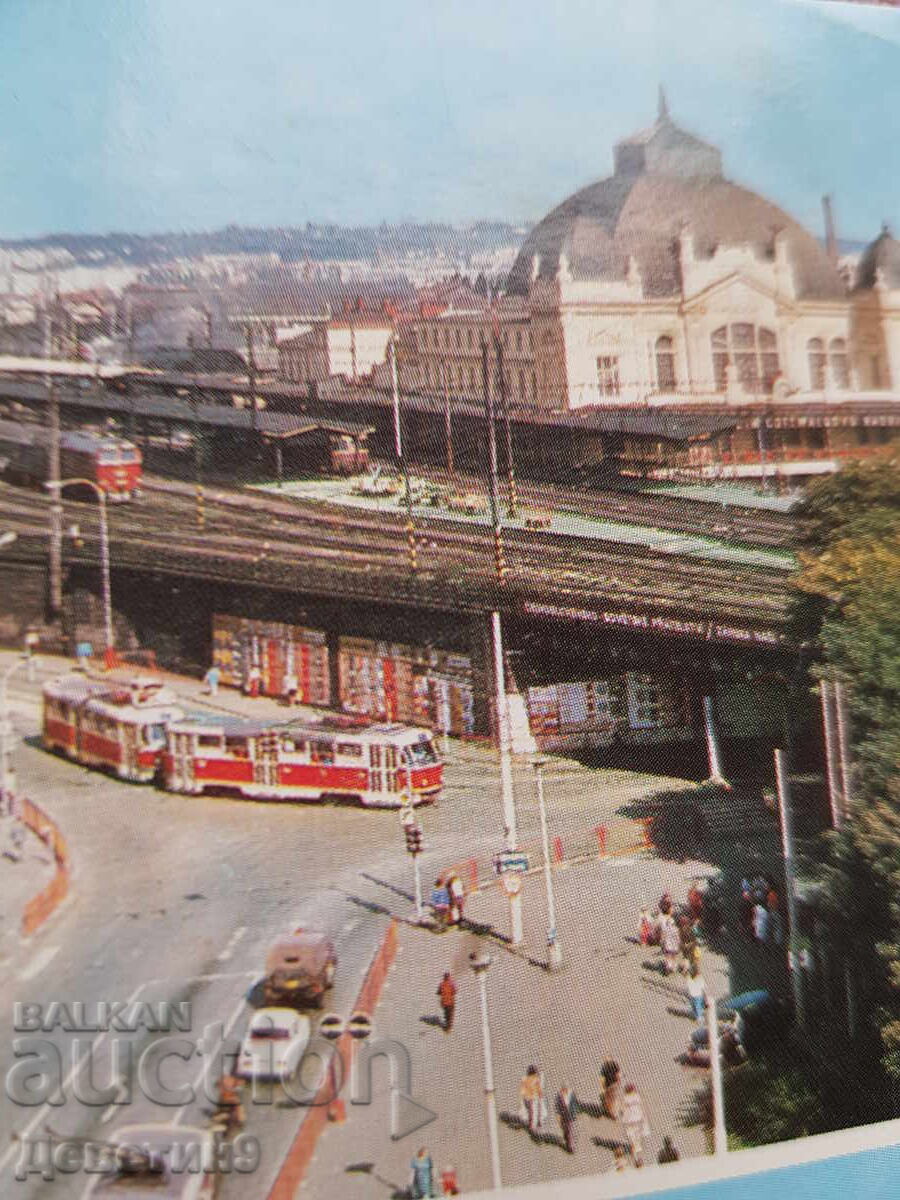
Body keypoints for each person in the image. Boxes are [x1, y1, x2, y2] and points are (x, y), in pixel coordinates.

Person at [620, 1083, 648, 1167]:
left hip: (629, 1122)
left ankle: (636, 1158)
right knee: (637, 1139)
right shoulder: (637, 1097)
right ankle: (638, 1157)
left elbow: (622, 1110)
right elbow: (641, 1109)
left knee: (632, 1140)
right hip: (637, 1121)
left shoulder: (624, 1099)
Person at [520, 1065, 544, 1134]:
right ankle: (533, 1127)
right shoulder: (536, 1079)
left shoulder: (524, 1079)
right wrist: (540, 1095)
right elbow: (539, 1089)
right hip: (533, 1098)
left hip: (528, 1098)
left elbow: (522, 1090)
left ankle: (532, 1126)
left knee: (531, 1113)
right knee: (534, 1112)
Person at [555, 1084, 578, 1154]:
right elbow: (557, 1107)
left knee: (570, 1130)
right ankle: (566, 1138)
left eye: (566, 1090)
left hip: (570, 1115)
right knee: (564, 1129)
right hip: (563, 1116)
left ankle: (571, 1147)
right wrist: (558, 1116)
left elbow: (574, 1105)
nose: (564, 1091)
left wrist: (575, 1114)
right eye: (563, 1090)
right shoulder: (559, 1096)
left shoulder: (572, 1095)